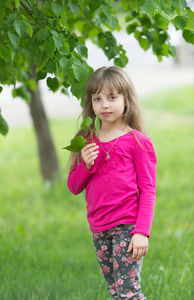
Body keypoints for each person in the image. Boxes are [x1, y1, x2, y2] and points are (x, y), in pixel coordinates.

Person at [67, 66, 157, 300]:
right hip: (98, 227)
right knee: (115, 290)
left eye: (112, 97)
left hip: (127, 226)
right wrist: (85, 166)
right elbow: (74, 187)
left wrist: (141, 232)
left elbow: (148, 190)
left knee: (128, 292)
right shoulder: (86, 140)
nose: (104, 104)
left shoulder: (137, 142)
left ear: (126, 100)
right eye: (97, 98)